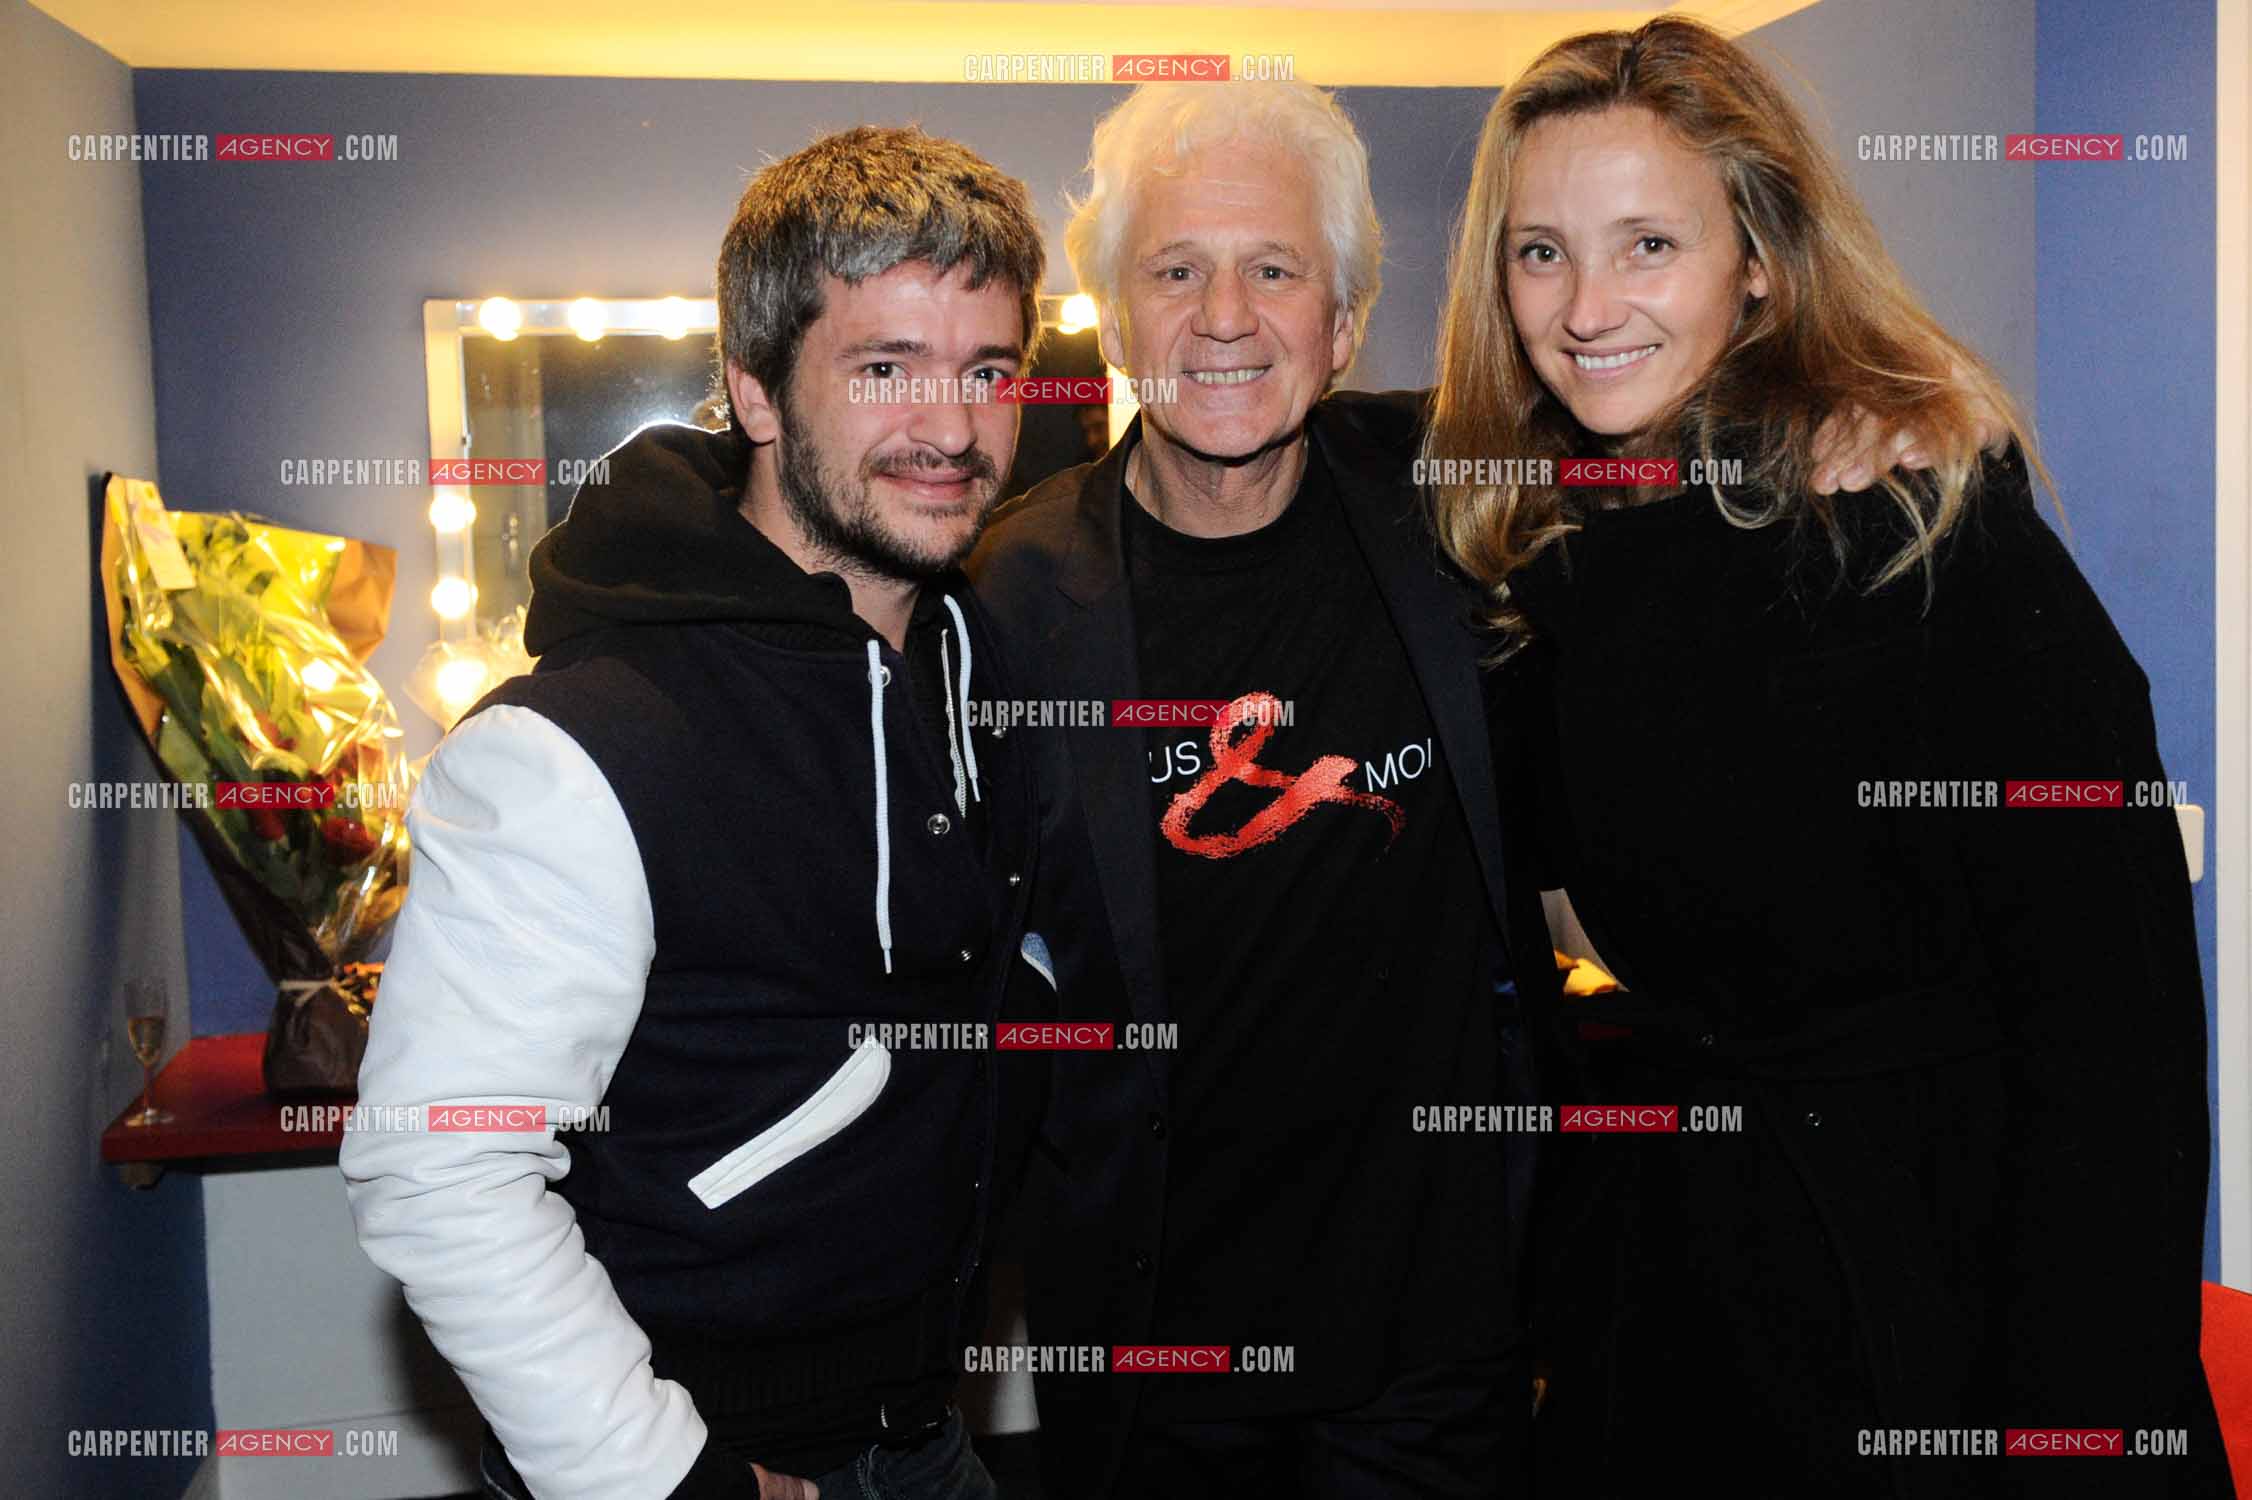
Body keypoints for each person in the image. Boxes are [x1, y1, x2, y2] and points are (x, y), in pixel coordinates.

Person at [966, 79, 1955, 1499]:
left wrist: (1865, 419)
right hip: (1155, 1357)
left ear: (1345, 321)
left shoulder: (1459, 499)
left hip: (1443, 1352)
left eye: (1275, 269)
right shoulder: (1006, 596)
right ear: (1113, 320)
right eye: (1175, 271)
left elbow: (1677, 411)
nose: (1225, 317)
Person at [1422, 18, 2230, 1497]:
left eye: (1648, 244)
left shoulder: (1921, 526)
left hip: (1944, 1315)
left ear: (1761, 260)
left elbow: (2115, 1043)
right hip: (1674, 1320)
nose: (1587, 307)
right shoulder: (1543, 556)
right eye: (1541, 252)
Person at [341, 125, 1048, 1500]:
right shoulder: (575, 744)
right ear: (757, 391)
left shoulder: (980, 677)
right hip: (704, 1455)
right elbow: (440, 1172)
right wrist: (671, 1480)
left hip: (930, 1435)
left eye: (987, 371)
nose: (953, 429)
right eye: (886, 367)